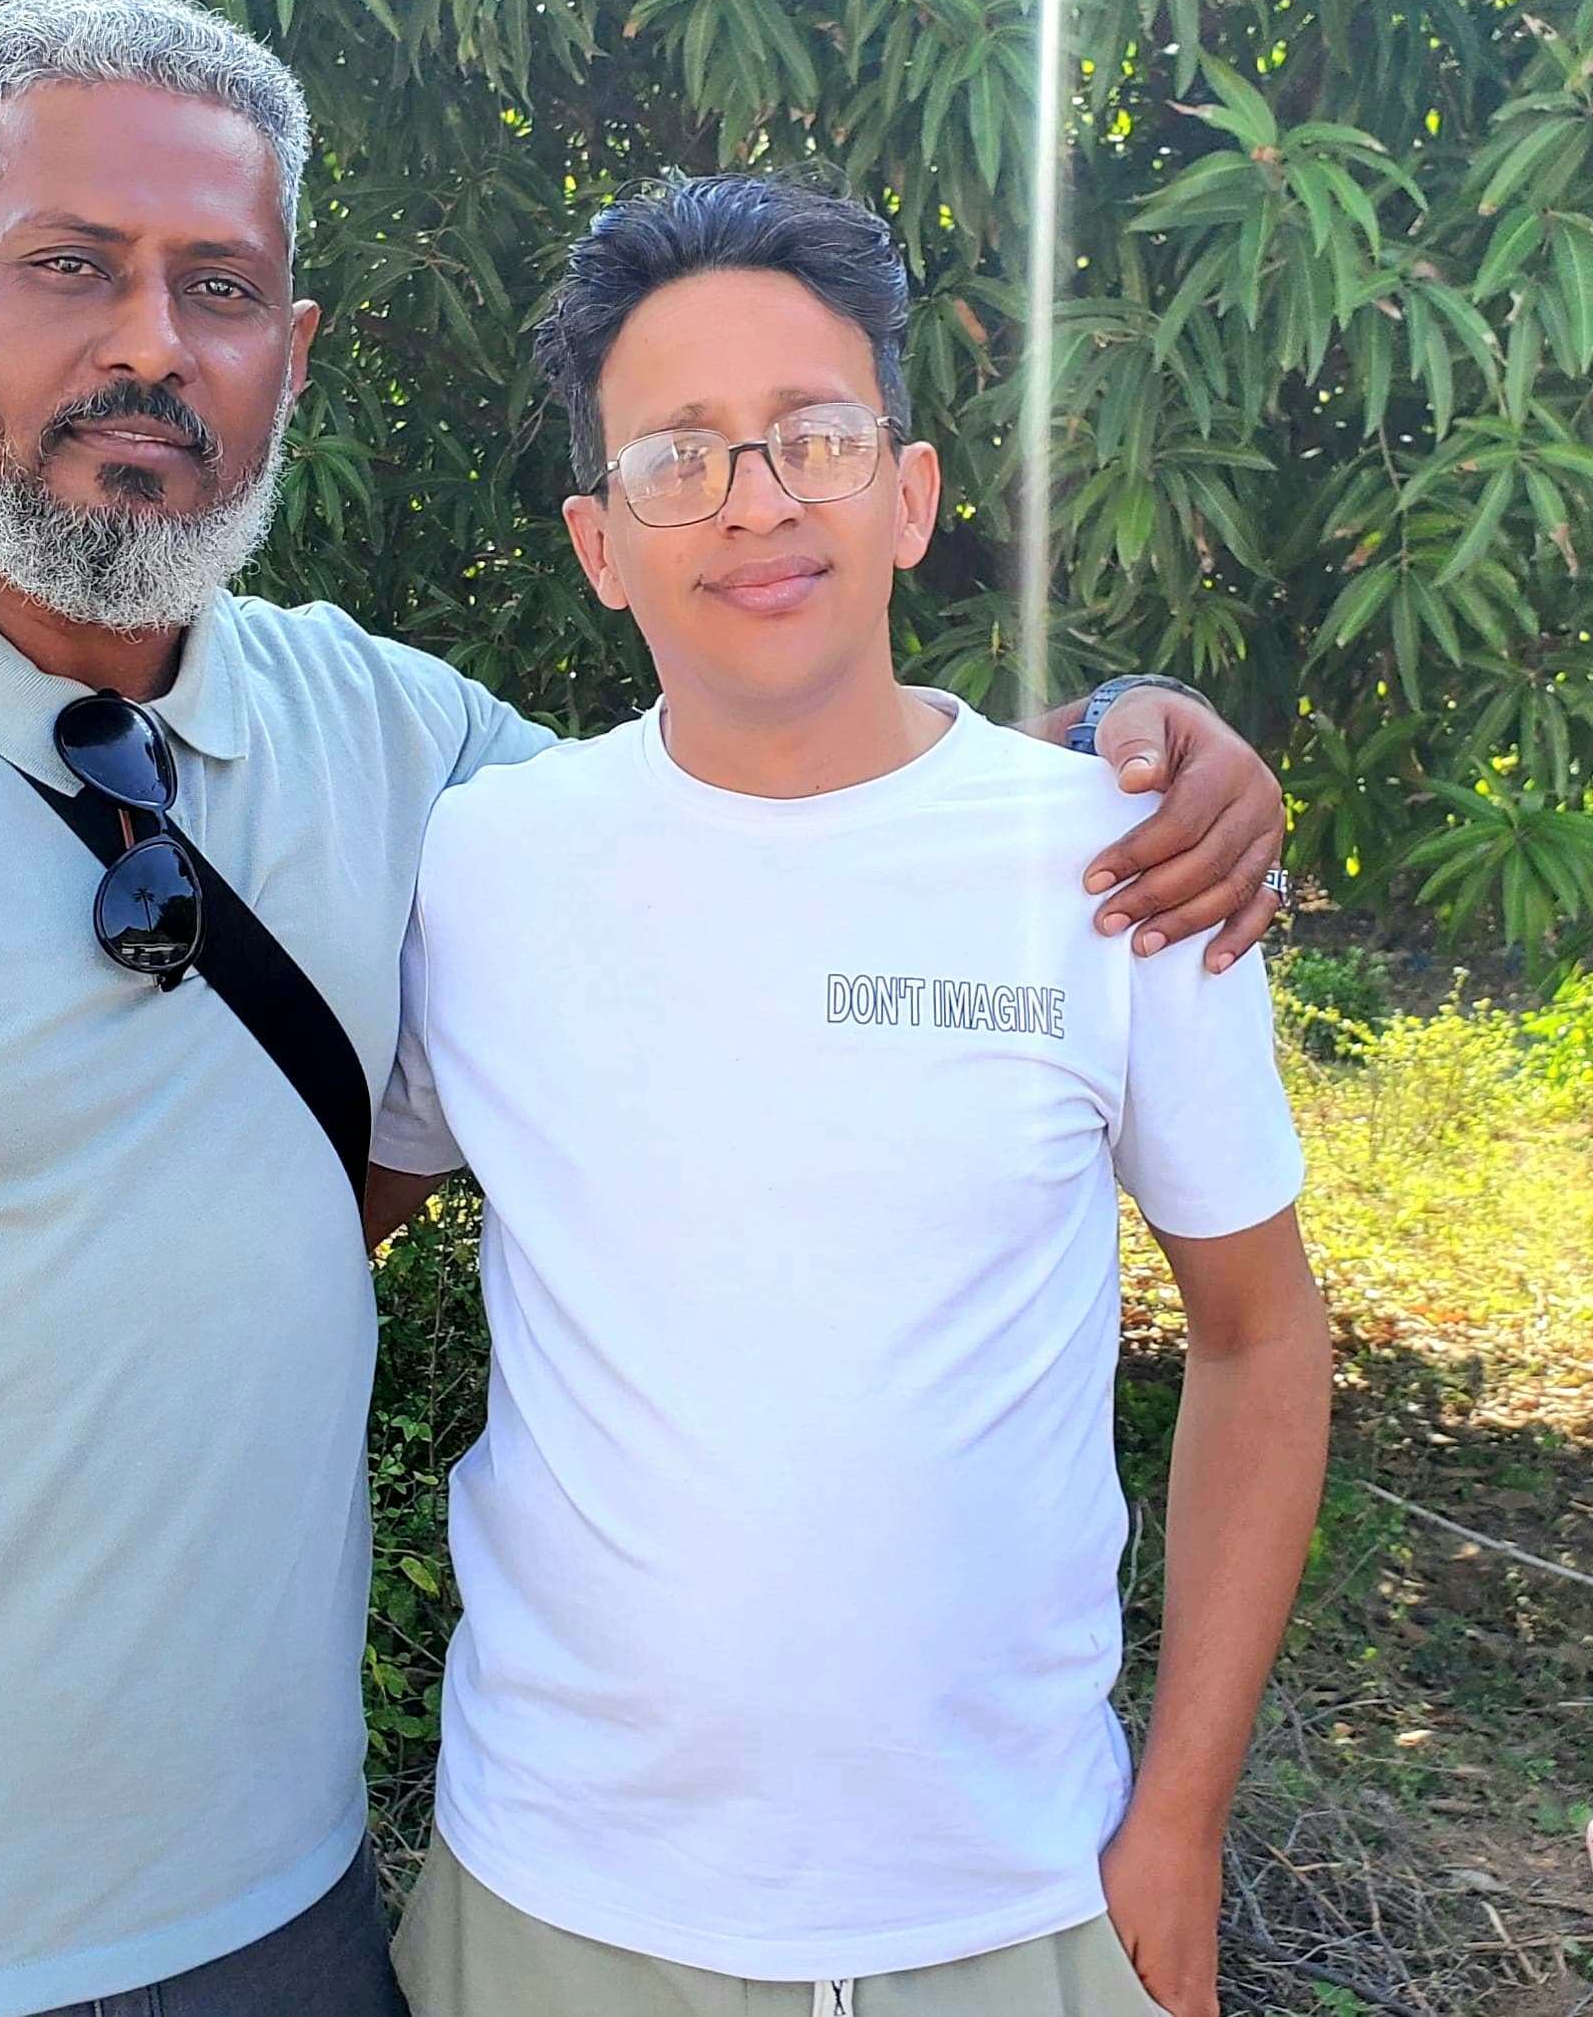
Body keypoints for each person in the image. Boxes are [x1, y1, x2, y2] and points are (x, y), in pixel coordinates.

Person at [0, 0, 1290, 2017]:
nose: (151, 345)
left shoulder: (408, 754)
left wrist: (1123, 755)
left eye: (221, 288)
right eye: (67, 266)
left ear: (292, 353)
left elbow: (766, 818)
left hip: (275, 1931)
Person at [368, 172, 1333, 2017]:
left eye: (813, 436)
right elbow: (314, 1218)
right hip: (555, 1900)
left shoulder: (1122, 863)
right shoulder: (486, 867)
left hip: (1016, 1899)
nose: (756, 501)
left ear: (909, 494)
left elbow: (1260, 1338)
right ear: (598, 541)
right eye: (680, 456)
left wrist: (1182, 1821)